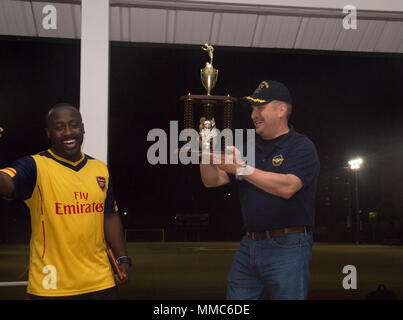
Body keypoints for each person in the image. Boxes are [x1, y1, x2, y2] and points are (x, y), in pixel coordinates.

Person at [199, 80, 320, 300]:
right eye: (253, 109)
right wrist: (206, 148)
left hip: (289, 246)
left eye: (260, 107)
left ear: (281, 109)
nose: (254, 115)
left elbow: (288, 187)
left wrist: (242, 170)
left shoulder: (301, 146)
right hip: (249, 245)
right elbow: (211, 180)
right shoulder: (247, 147)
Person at [0, 104, 131, 300]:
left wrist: (122, 257)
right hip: (50, 287)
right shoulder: (34, 166)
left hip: (100, 283)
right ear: (49, 133)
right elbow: (6, 185)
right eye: (59, 127)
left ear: (83, 128)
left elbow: (109, 215)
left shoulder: (100, 169)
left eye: (73, 125)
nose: (68, 132)